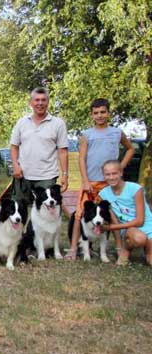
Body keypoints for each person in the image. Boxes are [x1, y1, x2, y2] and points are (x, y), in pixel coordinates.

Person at [65, 99, 134, 260]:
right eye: (96, 113)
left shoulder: (117, 133)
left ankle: (119, 249)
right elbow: (82, 158)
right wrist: (85, 180)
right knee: (79, 214)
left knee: (112, 214)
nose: (100, 115)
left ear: (109, 113)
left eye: (103, 112)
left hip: (109, 183)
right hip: (91, 182)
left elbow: (130, 149)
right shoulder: (87, 135)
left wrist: (120, 167)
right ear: (91, 115)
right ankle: (74, 249)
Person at [10, 87, 69, 205]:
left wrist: (65, 175)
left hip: (47, 176)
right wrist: (16, 166)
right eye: (37, 100)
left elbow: (63, 151)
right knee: (18, 211)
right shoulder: (22, 122)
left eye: (43, 100)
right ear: (31, 103)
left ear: (48, 102)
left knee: (46, 212)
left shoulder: (58, 123)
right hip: (23, 175)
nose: (40, 103)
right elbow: (14, 147)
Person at [99, 160, 152, 265]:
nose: (111, 177)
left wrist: (109, 228)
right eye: (107, 174)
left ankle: (148, 251)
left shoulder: (135, 189)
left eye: (114, 173)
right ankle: (126, 250)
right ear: (104, 176)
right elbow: (114, 221)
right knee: (139, 238)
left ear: (121, 173)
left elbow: (140, 221)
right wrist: (119, 246)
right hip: (129, 229)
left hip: (147, 225)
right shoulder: (103, 194)